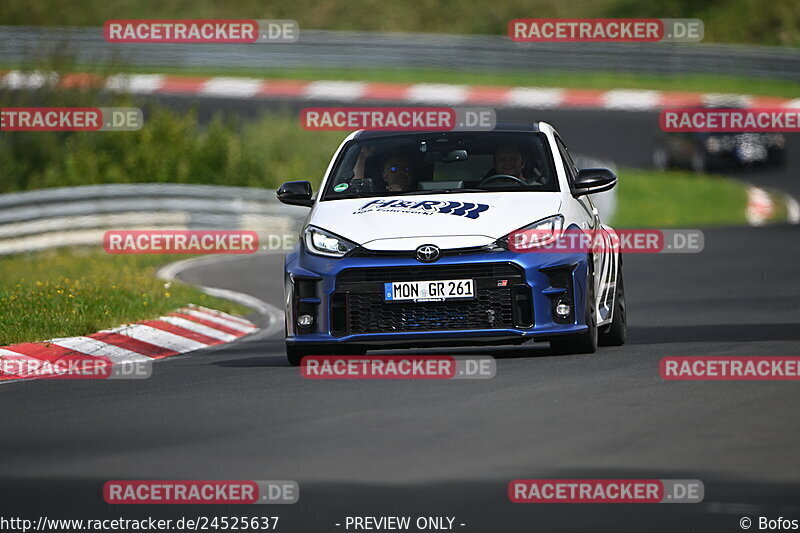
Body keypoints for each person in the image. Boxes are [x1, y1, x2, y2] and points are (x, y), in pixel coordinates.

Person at [349, 145, 418, 193]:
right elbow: (357, 184)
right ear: (384, 176)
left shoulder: (424, 193)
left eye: (406, 169)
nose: (401, 172)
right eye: (394, 169)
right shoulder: (373, 196)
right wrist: (362, 156)